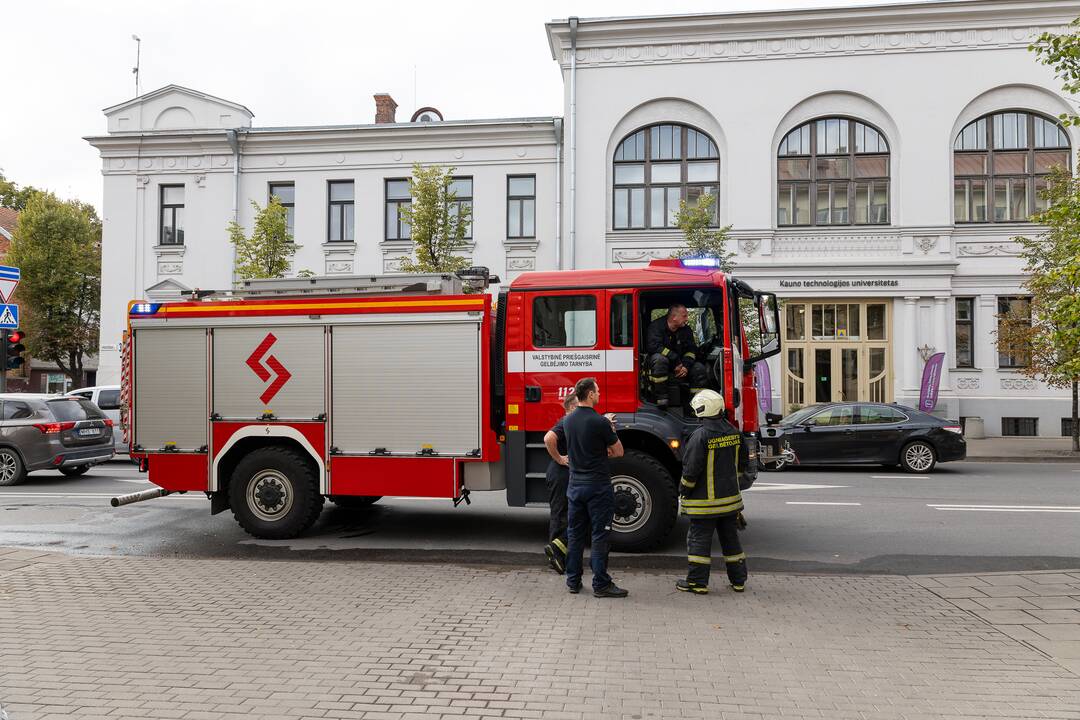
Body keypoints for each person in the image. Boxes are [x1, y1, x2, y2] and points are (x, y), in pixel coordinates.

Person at [561, 377, 628, 598]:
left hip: (575, 486)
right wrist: (610, 427)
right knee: (600, 535)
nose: (599, 394)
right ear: (590, 395)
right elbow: (618, 452)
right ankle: (601, 584)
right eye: (597, 391)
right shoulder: (599, 421)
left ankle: (573, 581)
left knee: (575, 535)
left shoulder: (568, 420)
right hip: (598, 487)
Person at [676, 389, 749, 595]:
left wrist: (684, 490)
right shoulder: (734, 432)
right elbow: (743, 463)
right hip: (730, 502)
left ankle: (697, 583)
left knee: (699, 541)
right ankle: (738, 581)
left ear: (702, 409)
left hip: (704, 503)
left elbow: (691, 470)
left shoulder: (700, 436)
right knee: (731, 541)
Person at [542, 393, 578, 574]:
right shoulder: (566, 422)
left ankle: (557, 554)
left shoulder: (573, 423)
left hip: (563, 474)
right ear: (571, 407)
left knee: (566, 515)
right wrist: (560, 459)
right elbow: (548, 438)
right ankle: (555, 556)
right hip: (560, 474)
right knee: (560, 515)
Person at [645, 304, 708, 408]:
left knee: (699, 368)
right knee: (659, 360)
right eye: (684, 316)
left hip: (682, 364)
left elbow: (691, 350)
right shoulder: (656, 327)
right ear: (674, 317)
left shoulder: (686, 330)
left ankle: (696, 404)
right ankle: (661, 399)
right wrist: (675, 360)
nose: (687, 319)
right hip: (664, 364)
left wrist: (686, 366)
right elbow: (653, 347)